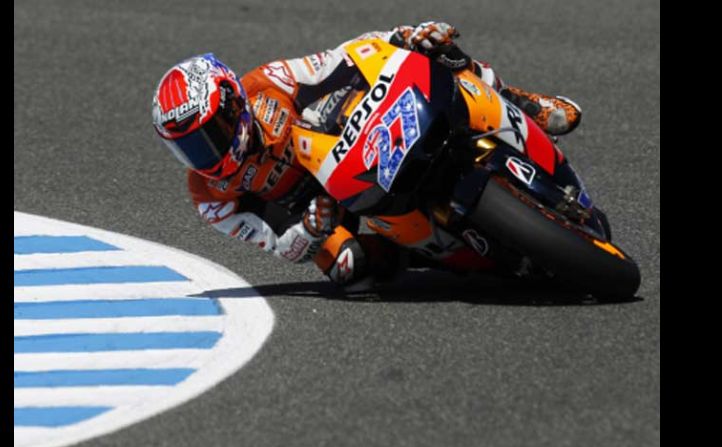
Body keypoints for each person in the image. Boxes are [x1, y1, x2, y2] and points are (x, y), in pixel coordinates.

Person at [152, 21, 582, 287]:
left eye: (208, 135)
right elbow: (279, 244)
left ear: (232, 103)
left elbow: (344, 59)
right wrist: (309, 229)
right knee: (348, 267)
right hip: (317, 208)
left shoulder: (270, 82)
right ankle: (439, 255)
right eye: (187, 147)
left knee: (438, 55)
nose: (203, 154)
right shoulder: (210, 196)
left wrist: (402, 38)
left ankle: (523, 105)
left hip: (344, 143)